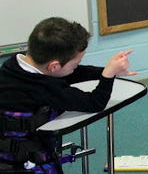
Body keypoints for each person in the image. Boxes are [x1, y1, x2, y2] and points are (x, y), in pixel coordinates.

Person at [0, 17, 135, 173]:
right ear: (54, 66)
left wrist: (104, 72)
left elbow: (68, 73)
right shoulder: (45, 88)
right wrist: (108, 76)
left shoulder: (12, 66)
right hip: (25, 163)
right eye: (75, 64)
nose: (75, 68)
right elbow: (94, 103)